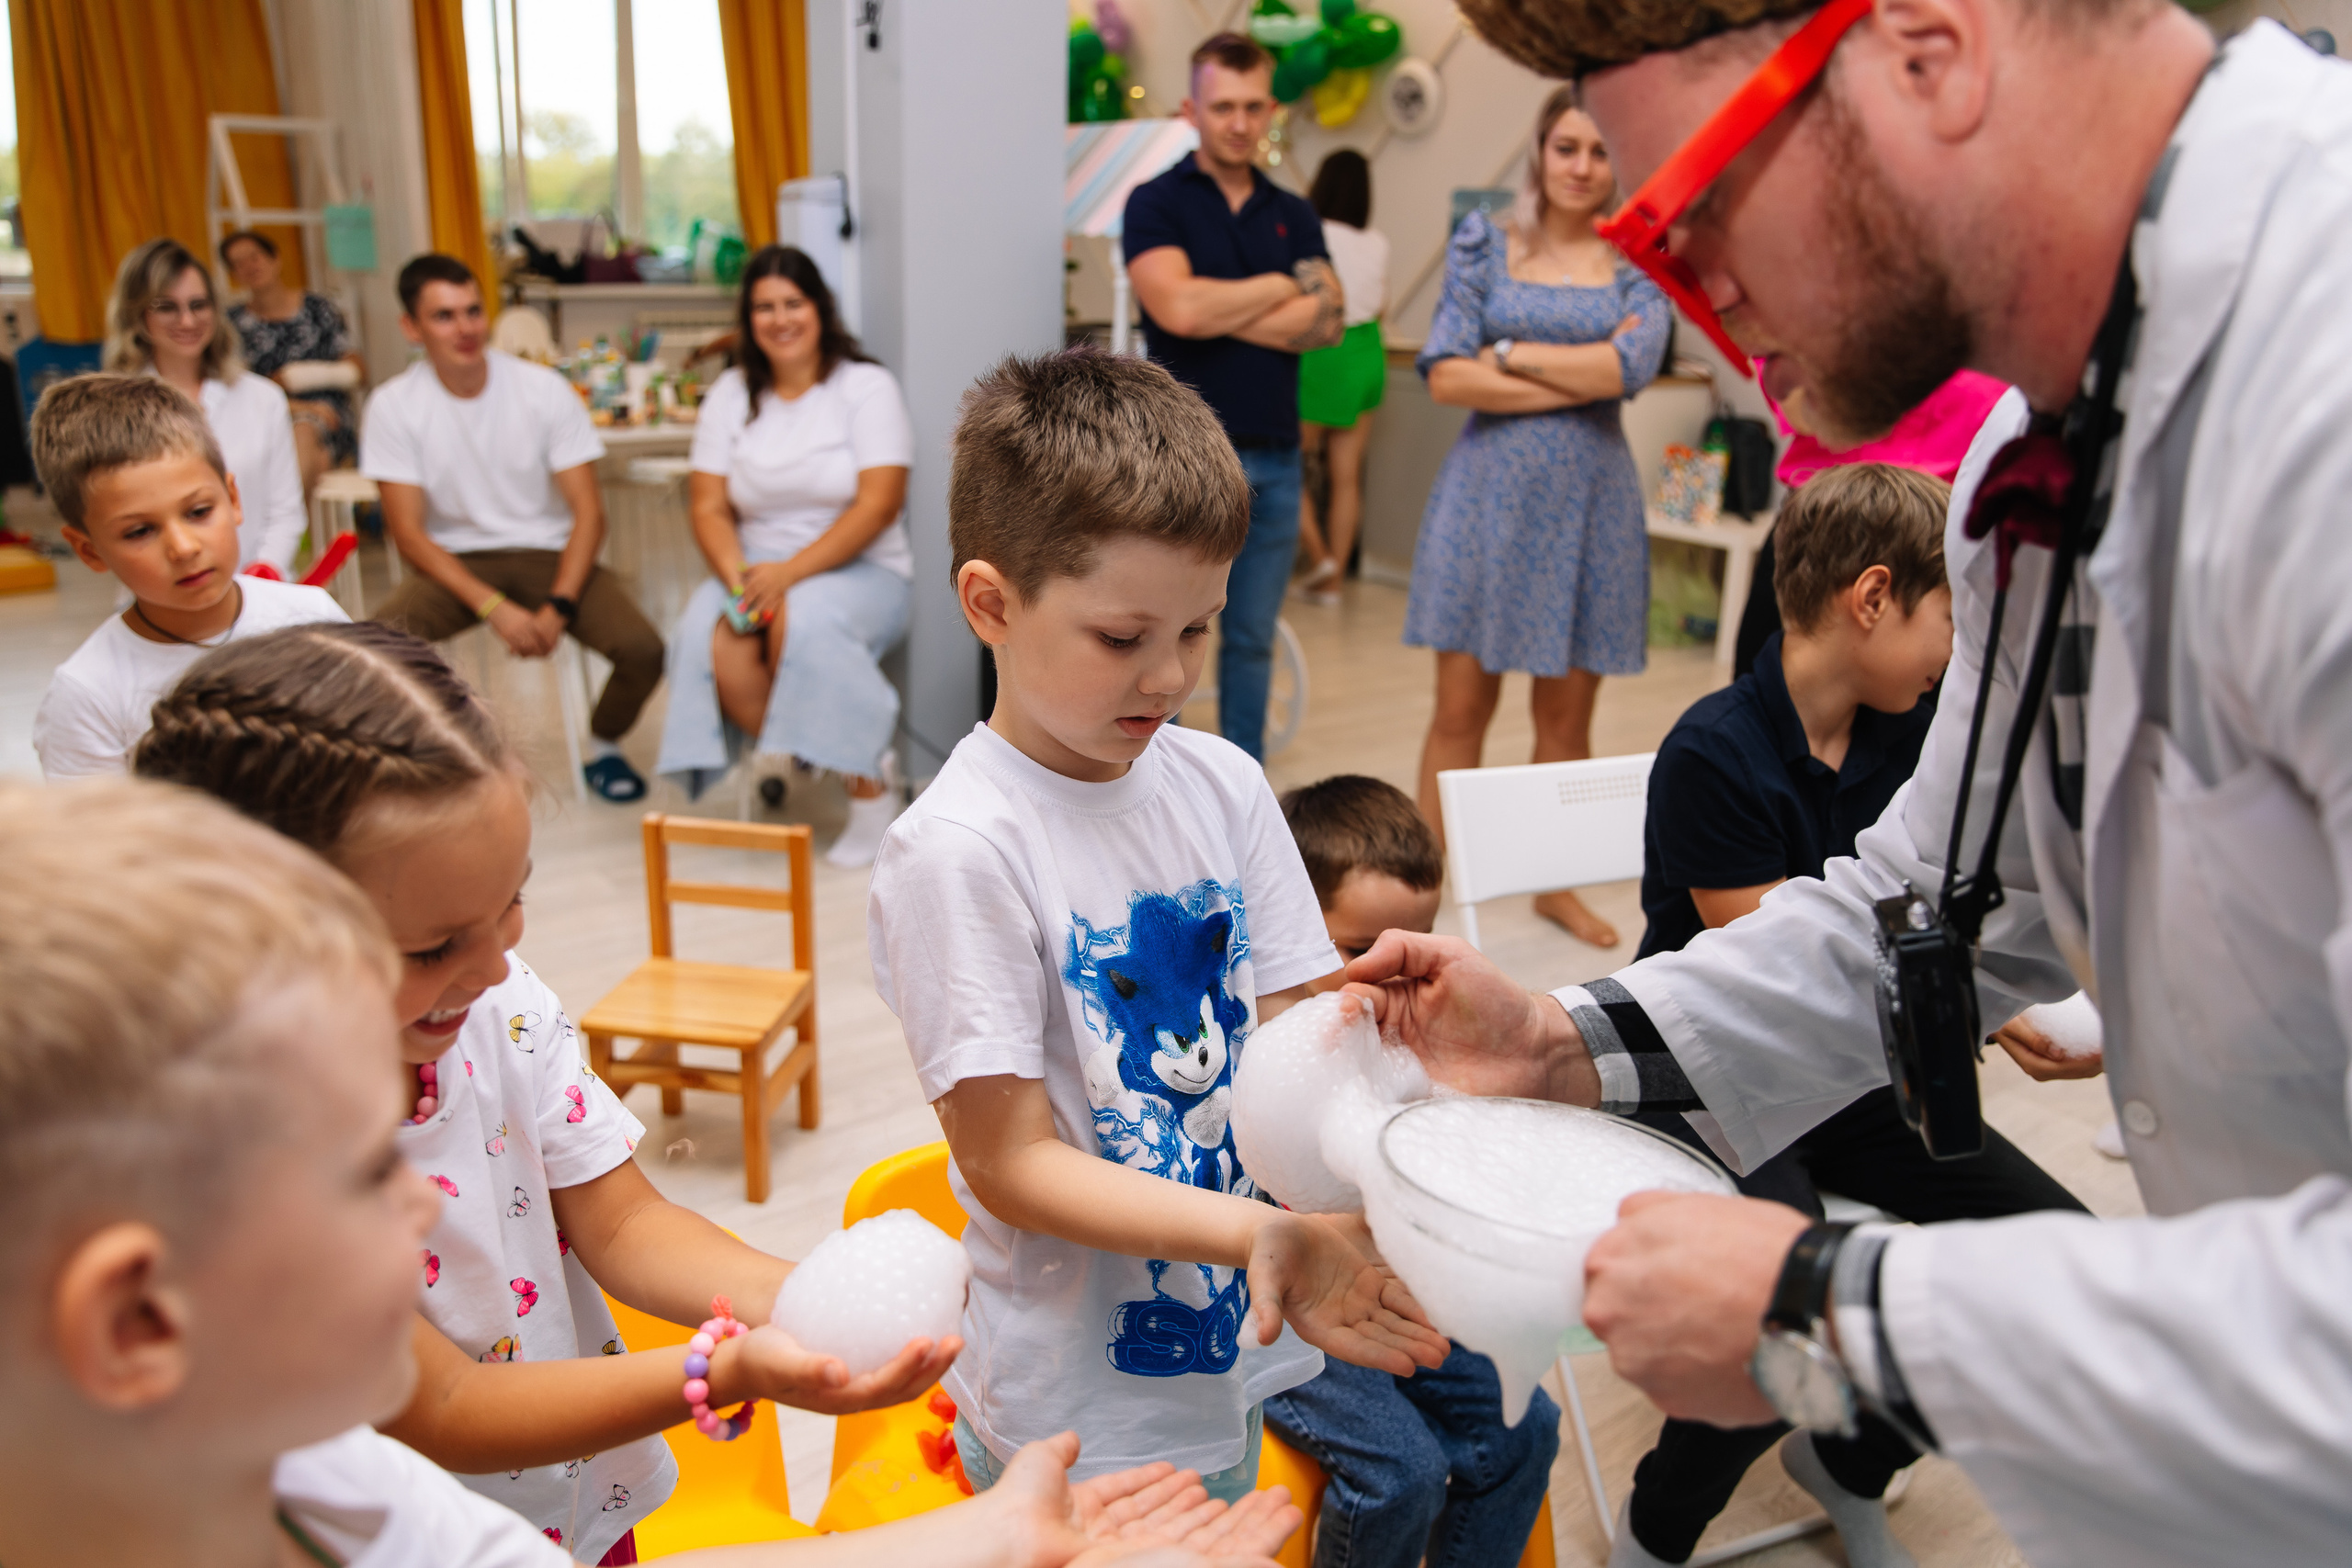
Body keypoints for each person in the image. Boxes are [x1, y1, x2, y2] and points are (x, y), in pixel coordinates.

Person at [1345, 3, 2352, 1561]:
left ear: (1926, 56)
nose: (1692, 297)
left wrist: (1839, 1309)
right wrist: (1570, 1037)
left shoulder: (2322, 399)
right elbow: (1925, 900)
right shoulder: (2040, 459)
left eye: (1685, 211)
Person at [0, 777, 1306, 1568]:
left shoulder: (311, 1465)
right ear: (135, 1318)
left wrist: (979, 1535)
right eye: (363, 1170)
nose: (421, 1196)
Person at [133, 622, 961, 1562]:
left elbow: (619, 1223)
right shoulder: (230, 1142)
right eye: (433, 947)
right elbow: (443, 1406)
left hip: (583, 1505)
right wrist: (723, 1369)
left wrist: (816, 1306)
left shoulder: (496, 1005)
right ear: (256, 934)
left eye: (512, 901)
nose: (494, 965)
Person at [868, 349, 1448, 1503]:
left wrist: (1405, 1100)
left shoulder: (1223, 783)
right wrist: (1260, 1238)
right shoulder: (960, 850)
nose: (1172, 676)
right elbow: (1014, 1163)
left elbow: (1294, 1037)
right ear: (991, 602)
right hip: (1075, 1403)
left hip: (1233, 1343)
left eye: (1199, 630)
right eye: (1122, 638)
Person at [1615, 463, 2087, 1568]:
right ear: (1871, 599)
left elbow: (1932, 912)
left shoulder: (1911, 740)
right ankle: (1656, 1528)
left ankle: (1850, 1458)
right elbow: (1779, 963)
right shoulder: (1711, 750)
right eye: (1948, 622)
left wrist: (1984, 985)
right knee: (1787, 1298)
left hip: (1853, 1067)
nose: (1952, 658)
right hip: (1717, 1071)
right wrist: (1959, 976)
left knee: (2053, 1262)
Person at [1265, 773, 1561, 1568]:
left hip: (1390, 1289)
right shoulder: (1260, 1048)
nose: (1391, 973)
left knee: (1527, 1427)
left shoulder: (1412, 1036)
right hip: (1282, 1314)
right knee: (1401, 1472)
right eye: (1360, 949)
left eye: (1415, 947)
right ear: (1287, 924)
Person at [1408, 86, 1670, 950]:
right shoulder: (1487, 242)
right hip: (1487, 500)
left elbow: (1629, 369)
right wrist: (1578, 369)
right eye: (1567, 148)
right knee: (1459, 711)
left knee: (1567, 720)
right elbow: (1445, 373)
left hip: (1590, 507)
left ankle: (1553, 882)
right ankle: (1416, 884)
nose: (1583, 167)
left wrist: (1511, 353)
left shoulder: (1641, 261)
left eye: (1600, 152)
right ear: (1540, 152)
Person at [364, 253, 664, 803]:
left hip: (548, 552)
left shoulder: (542, 389)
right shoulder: (393, 405)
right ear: (411, 327)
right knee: (374, 653)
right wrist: (492, 607)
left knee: (643, 648)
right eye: (444, 316)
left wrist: (560, 607)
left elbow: (589, 515)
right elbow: (408, 535)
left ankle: (604, 744)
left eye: (473, 311)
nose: (466, 328)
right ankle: (429, 759)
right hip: (454, 564)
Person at [1124, 32, 1346, 761]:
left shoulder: (1295, 213)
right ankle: (1164, 781)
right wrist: (1283, 288)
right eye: (1224, 106)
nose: (1241, 123)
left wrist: (1219, 307)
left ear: (1272, 109)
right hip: (1181, 461)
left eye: (1255, 107)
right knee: (1168, 634)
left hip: (1277, 460)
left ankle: (1242, 781)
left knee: (1250, 637)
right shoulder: (1156, 202)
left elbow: (1329, 322)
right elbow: (1178, 313)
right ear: (1193, 107)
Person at [657, 245, 912, 866]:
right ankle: (858, 745)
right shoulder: (729, 395)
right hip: (752, 566)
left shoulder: (866, 387)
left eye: (792, 303)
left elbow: (878, 505)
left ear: (819, 308)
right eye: (764, 307)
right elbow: (709, 506)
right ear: (748, 319)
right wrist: (740, 579)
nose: (779, 318)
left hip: (862, 565)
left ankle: (871, 794)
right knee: (710, 640)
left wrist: (789, 576)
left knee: (809, 621)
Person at [29, 374, 345, 779]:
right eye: (140, 531)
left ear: (232, 499)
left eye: (198, 512)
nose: (183, 548)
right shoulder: (88, 694)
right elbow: (101, 837)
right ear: (90, 550)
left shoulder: (311, 618)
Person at [102, 237, 306, 577]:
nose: (187, 321)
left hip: (261, 592)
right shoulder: (113, 410)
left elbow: (285, 512)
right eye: (167, 307)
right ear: (137, 315)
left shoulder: (262, 398)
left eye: (199, 305)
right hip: (165, 595)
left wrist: (262, 577)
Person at [1292, 152, 1389, 608]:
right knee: (1347, 478)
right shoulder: (1378, 242)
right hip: (1369, 351)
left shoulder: (1312, 231)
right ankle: (1332, 583)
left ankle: (1319, 559)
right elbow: (1382, 305)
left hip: (1324, 347)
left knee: (1287, 468)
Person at [220, 227, 367, 496]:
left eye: (254, 257)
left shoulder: (318, 308)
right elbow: (234, 389)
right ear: (233, 275)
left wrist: (298, 378)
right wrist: (296, 403)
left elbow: (355, 371)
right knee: (311, 457)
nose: (249, 267)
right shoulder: (233, 323)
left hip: (327, 416)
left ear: (276, 259)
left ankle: (290, 530)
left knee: (304, 431)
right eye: (238, 264)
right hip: (265, 415)